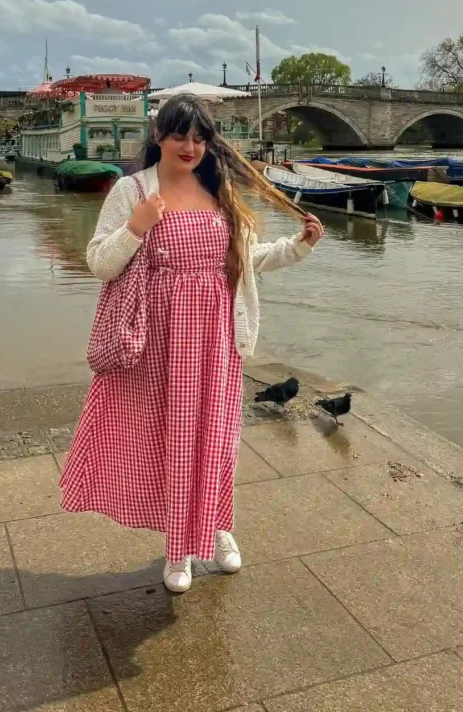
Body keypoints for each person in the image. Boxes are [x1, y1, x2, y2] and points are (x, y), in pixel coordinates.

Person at [60, 94, 324, 593]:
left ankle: (220, 526)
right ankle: (178, 548)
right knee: (172, 442)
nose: (190, 146)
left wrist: (299, 246)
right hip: (159, 345)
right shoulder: (131, 190)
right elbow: (98, 263)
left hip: (217, 340)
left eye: (200, 138)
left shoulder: (217, 189)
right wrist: (137, 228)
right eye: (180, 135)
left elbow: (247, 261)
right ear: (158, 136)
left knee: (217, 441)